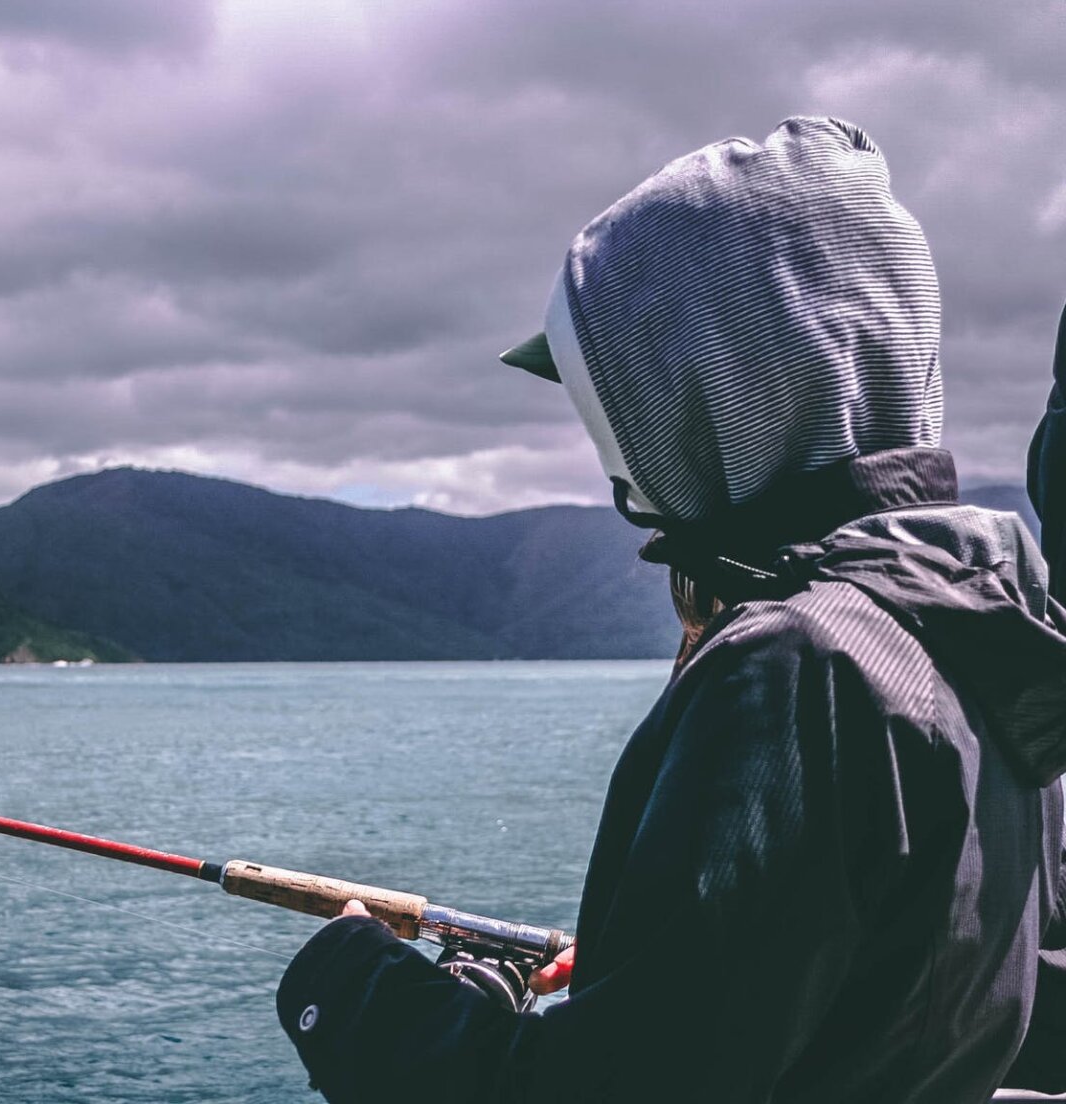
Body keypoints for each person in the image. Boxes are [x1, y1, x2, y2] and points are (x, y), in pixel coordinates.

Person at [276, 117, 1066, 1103]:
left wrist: (345, 982)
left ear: (704, 392)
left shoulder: (796, 668)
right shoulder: (983, 622)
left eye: (614, 400)